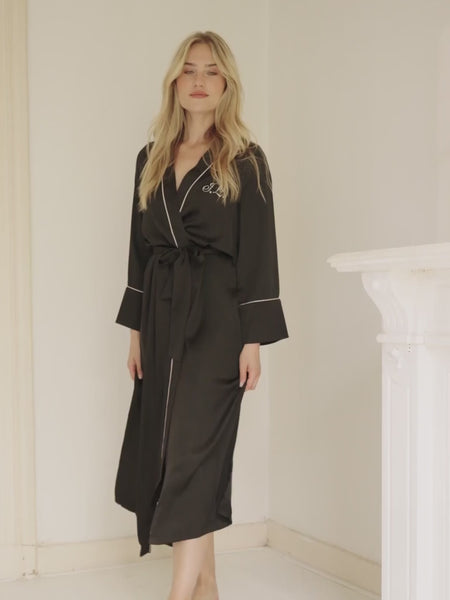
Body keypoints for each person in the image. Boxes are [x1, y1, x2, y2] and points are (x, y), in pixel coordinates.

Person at [114, 30, 288, 600]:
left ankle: (178, 595)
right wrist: (136, 333)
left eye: (211, 71)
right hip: (161, 319)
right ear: (174, 81)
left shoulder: (245, 160)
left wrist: (252, 340)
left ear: (226, 84)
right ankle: (207, 586)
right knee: (170, 451)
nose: (198, 80)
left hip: (218, 324)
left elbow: (259, 253)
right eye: (189, 69)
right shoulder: (150, 158)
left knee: (194, 453)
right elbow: (140, 251)